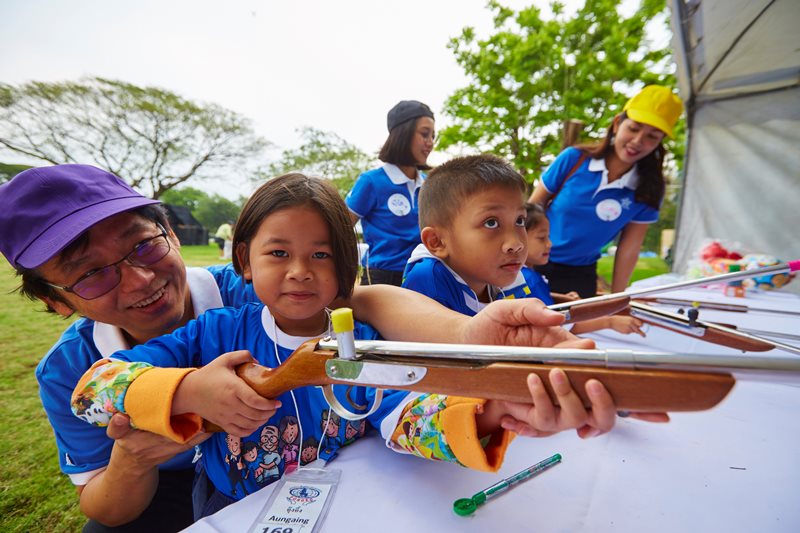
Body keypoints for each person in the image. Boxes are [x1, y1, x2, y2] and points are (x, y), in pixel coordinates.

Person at [0, 164, 628, 530]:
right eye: (90, 271)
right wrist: (188, 391)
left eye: (142, 245)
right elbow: (97, 385)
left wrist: (490, 408)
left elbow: (399, 406)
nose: (299, 273)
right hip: (226, 506)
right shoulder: (214, 333)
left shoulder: (350, 339)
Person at [527, 85, 684, 297]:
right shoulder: (574, 159)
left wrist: (618, 297)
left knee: (578, 329)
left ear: (659, 142)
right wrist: (523, 263)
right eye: (634, 128)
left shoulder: (650, 188)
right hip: (534, 264)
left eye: (652, 137)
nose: (638, 142)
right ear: (618, 123)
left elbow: (629, 247)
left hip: (580, 274)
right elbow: (531, 211)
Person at [346, 100, 435, 286]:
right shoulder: (372, 181)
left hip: (425, 273)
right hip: (383, 279)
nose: (430, 143)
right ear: (403, 134)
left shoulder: (429, 183)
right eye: (425, 134)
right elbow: (340, 226)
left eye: (433, 136)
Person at [524, 202, 646, 336]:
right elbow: (557, 323)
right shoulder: (530, 280)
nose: (549, 244)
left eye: (548, 237)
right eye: (542, 238)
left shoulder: (524, 276)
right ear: (519, 238)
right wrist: (610, 322)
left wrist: (562, 300)